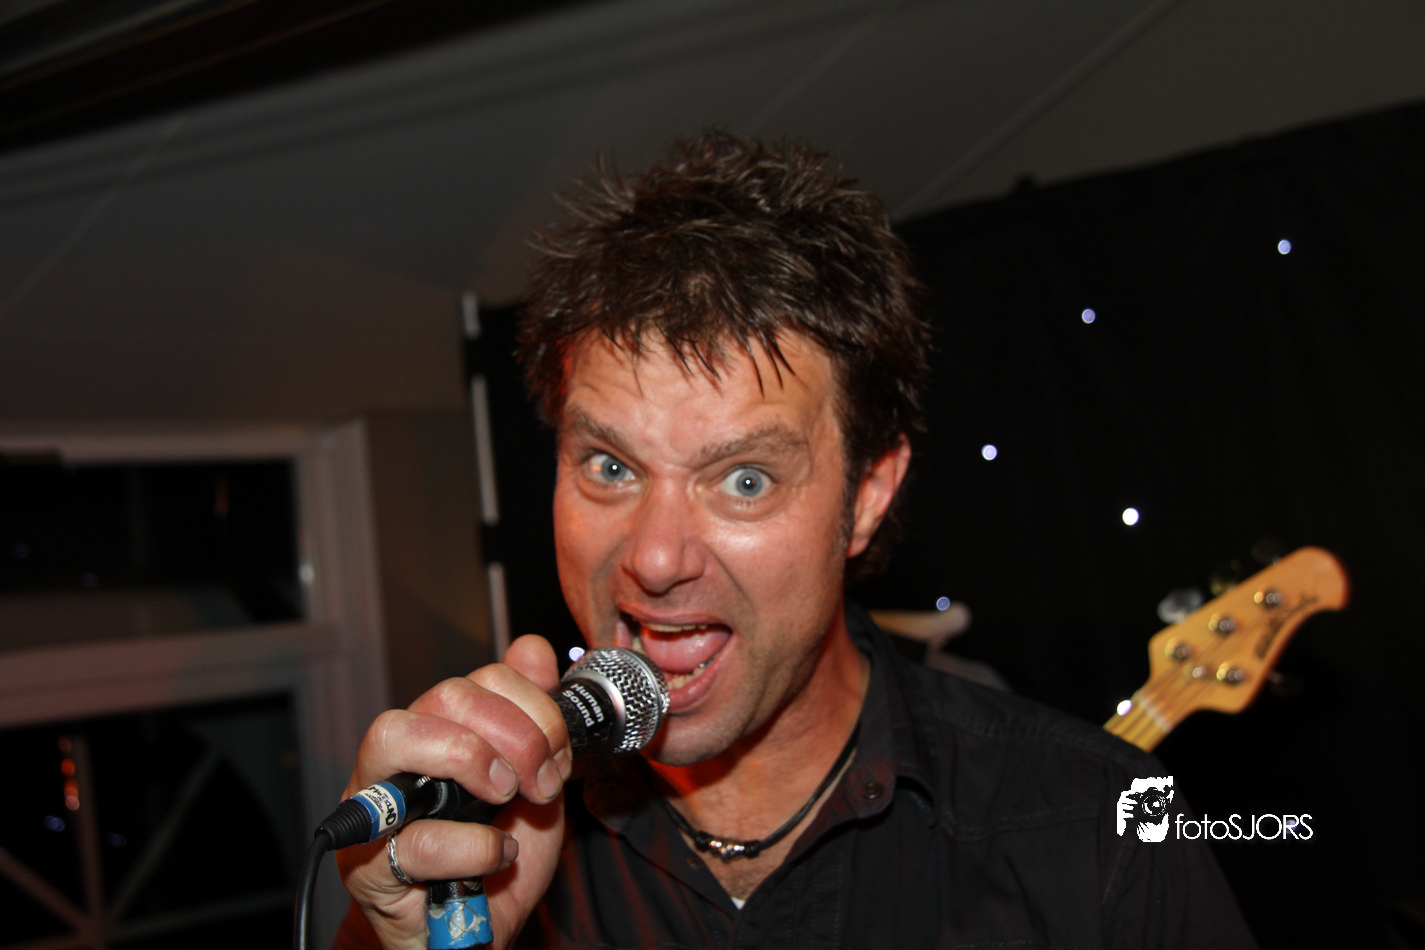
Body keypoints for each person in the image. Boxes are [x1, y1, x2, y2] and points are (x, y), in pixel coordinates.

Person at [333, 131, 1256, 949]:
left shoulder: (1097, 828)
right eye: (610, 467)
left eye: (745, 479)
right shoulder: (481, 840)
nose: (654, 558)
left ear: (866, 496)